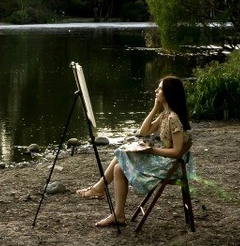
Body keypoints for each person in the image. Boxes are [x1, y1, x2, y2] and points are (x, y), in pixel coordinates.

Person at [76, 75, 193, 227]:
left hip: (172, 165)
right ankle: (117, 214)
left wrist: (151, 151)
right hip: (165, 161)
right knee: (119, 166)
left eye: (160, 88)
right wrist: (155, 108)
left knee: (123, 151)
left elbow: (177, 152)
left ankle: (100, 189)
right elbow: (143, 132)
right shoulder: (165, 114)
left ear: (168, 93)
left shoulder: (173, 118)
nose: (156, 90)